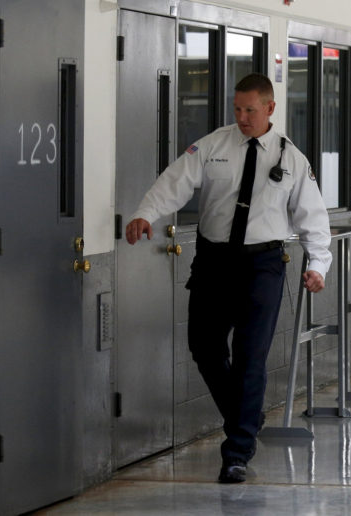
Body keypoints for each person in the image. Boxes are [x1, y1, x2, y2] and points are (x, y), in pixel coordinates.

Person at [124, 73, 331, 484]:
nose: (242, 117)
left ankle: (237, 451)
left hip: (263, 266)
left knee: (251, 357)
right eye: (237, 109)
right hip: (214, 262)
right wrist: (146, 212)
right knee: (203, 346)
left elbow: (314, 218)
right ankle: (247, 415)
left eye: (250, 110)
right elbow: (174, 182)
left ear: (270, 108)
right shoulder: (213, 145)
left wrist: (317, 265)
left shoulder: (292, 159)